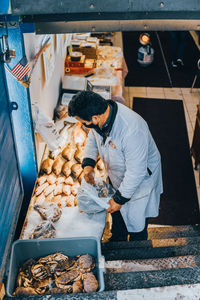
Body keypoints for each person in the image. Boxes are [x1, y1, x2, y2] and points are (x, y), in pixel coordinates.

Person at [68, 91, 163, 242]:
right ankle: (118, 237)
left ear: (95, 118)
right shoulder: (102, 116)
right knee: (116, 213)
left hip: (140, 180)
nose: (84, 126)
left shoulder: (131, 130)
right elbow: (93, 137)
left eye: (84, 122)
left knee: (136, 220)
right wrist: (88, 163)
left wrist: (119, 199)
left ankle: (138, 247)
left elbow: (136, 172)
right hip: (116, 173)